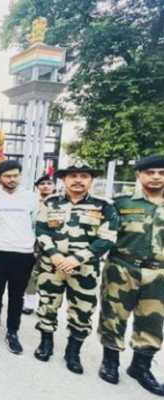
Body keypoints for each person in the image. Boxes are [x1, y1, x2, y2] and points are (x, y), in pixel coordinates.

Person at [34, 161, 119, 374]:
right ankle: (46, 343)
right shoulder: (51, 202)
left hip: (84, 269)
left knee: (82, 311)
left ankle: (73, 352)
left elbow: (107, 237)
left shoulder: (104, 206)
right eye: (73, 176)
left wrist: (78, 258)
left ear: (91, 180)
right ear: (64, 179)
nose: (78, 180)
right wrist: (53, 254)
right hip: (52, 266)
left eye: (84, 176)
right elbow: (41, 229)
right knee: (47, 304)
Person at [97, 154, 164, 396]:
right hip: (122, 268)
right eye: (150, 172)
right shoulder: (121, 203)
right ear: (139, 176)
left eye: (161, 173)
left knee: (152, 322)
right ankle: (110, 362)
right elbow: (104, 233)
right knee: (113, 316)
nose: (156, 177)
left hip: (159, 273)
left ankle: (140, 367)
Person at [0, 160, 38, 354]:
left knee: (16, 296)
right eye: (7, 176)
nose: (12, 179)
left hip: (23, 253)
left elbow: (37, 224)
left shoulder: (31, 197)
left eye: (15, 175)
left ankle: (12, 332)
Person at [23, 173, 56, 315]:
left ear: (54, 186)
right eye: (42, 184)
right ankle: (29, 302)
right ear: (37, 187)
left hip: (53, 243)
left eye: (49, 184)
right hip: (34, 241)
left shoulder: (59, 202)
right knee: (32, 272)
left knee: (50, 274)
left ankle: (45, 305)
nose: (46, 186)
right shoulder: (33, 202)